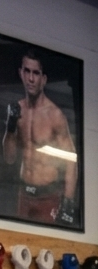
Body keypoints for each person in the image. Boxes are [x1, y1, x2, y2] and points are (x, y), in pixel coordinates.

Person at [2, 48, 78, 227]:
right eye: (27, 71)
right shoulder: (17, 111)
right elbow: (9, 158)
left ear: (43, 79)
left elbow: (71, 160)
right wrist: (10, 127)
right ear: (21, 73)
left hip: (48, 196)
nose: (31, 78)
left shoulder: (55, 115)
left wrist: (68, 202)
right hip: (24, 194)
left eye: (36, 73)